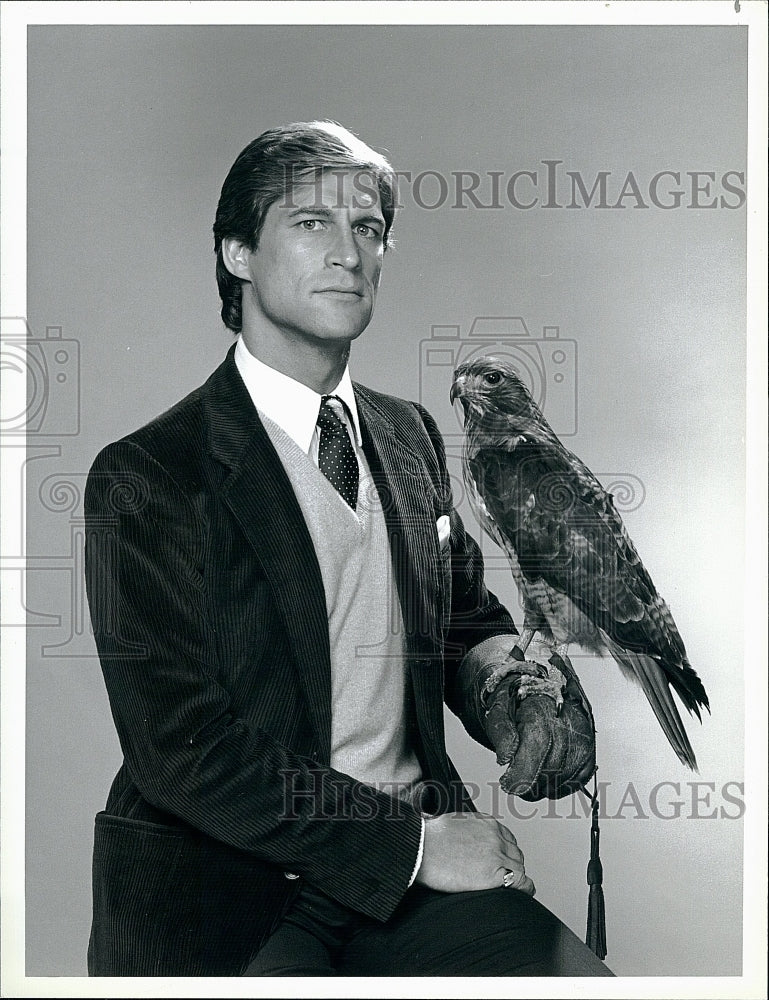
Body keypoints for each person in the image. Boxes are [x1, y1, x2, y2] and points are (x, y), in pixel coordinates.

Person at [83, 120, 612, 977]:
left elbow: (458, 623)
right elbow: (179, 746)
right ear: (237, 254)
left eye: (366, 228)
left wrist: (512, 691)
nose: (349, 252)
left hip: (416, 897)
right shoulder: (148, 472)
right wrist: (410, 846)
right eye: (310, 223)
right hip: (234, 895)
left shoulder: (409, 436)